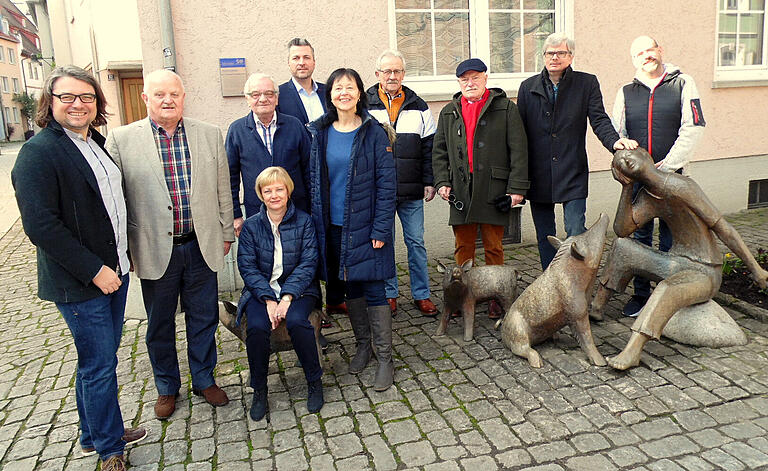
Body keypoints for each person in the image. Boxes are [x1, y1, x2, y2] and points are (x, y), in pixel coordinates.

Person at [12, 65, 146, 471]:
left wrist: (123, 257)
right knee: (100, 363)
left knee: (97, 359)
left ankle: (93, 432)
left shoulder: (94, 142)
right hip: (82, 282)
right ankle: (109, 448)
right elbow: (41, 227)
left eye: (86, 97)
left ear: (97, 104)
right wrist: (94, 270)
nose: (78, 104)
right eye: (67, 97)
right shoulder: (39, 153)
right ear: (49, 103)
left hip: (115, 271)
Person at [105, 69, 235, 420]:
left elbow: (223, 188)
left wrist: (226, 232)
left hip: (200, 245)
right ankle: (166, 386)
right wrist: (124, 249)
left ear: (183, 96)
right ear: (146, 98)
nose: (168, 100)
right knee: (160, 323)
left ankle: (204, 378)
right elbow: (116, 202)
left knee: (203, 317)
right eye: (159, 94)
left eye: (174, 94)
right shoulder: (120, 140)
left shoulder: (208, 134)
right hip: (153, 248)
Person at [591, 148, 768, 370]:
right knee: (622, 247)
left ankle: (633, 350)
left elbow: (724, 229)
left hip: (705, 271)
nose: (624, 160)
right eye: (619, 163)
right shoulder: (648, 196)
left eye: (628, 155)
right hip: (675, 263)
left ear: (648, 157)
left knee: (667, 288)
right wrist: (626, 189)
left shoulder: (683, 186)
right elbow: (622, 230)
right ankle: (596, 308)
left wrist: (755, 268)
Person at [307, 68, 397, 391]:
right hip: (333, 227)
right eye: (337, 87)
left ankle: (385, 357)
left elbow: (387, 186)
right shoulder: (320, 132)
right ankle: (363, 345)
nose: (343, 92)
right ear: (329, 94)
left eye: (350, 87)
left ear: (360, 93)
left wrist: (381, 230)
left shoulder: (374, 133)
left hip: (368, 227)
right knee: (350, 288)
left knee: (374, 290)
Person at [517, 33, 637, 270]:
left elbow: (599, 119)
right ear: (543, 56)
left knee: (575, 231)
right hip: (538, 172)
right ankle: (550, 280)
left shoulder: (586, 83)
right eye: (550, 53)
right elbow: (519, 134)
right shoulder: (527, 87)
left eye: (561, 53)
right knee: (545, 234)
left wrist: (615, 142)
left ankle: (576, 277)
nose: (555, 57)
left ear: (570, 56)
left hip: (572, 168)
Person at [612, 35, 706, 316]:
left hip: (672, 177)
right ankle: (641, 296)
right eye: (639, 53)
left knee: (671, 238)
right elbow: (619, 134)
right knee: (640, 238)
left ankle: (668, 296)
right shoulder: (626, 91)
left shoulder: (683, 83)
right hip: (641, 182)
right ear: (634, 60)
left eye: (649, 50)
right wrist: (630, 167)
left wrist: (665, 167)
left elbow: (694, 127)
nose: (646, 56)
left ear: (660, 50)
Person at [432, 58, 529, 319]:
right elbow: (439, 151)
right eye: (464, 79)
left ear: (486, 78)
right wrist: (442, 182)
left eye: (475, 77)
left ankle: (496, 294)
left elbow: (519, 150)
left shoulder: (506, 108)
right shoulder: (448, 112)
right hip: (461, 191)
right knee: (462, 247)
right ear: (459, 83)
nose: (470, 83)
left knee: (493, 246)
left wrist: (516, 189)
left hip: (493, 188)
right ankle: (461, 295)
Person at [236, 167, 323, 421]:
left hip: (300, 291)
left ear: (288, 191)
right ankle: (260, 389)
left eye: (279, 189)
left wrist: (286, 297)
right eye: (268, 190)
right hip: (260, 292)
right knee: (256, 328)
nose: (274, 195)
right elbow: (247, 267)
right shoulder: (251, 226)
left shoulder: (304, 221)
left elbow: (309, 263)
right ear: (261, 195)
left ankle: (313, 380)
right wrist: (268, 299)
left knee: (297, 322)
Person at [276, 37, 346, 320]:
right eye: (296, 58)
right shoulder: (279, 95)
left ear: (314, 61)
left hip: (331, 178)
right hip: (299, 183)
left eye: (306, 57)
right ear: (289, 62)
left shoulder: (328, 93)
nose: (301, 62)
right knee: (305, 245)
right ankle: (311, 306)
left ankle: (336, 298)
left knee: (332, 238)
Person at [366, 49, 439, 317]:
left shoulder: (418, 105)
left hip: (412, 190)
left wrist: (430, 181)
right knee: (384, 244)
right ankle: (389, 293)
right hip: (380, 191)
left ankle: (422, 295)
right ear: (378, 75)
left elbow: (430, 146)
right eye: (387, 71)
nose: (392, 76)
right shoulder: (365, 104)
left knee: (416, 243)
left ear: (403, 74)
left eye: (397, 71)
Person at [226, 73, 311, 237]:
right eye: (256, 94)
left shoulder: (294, 125)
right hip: (257, 215)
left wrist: (313, 209)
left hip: (296, 213)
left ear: (277, 98)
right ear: (247, 99)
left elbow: (309, 170)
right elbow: (230, 178)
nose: (263, 99)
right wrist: (235, 214)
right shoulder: (237, 131)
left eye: (269, 94)